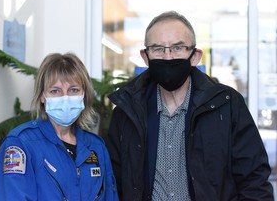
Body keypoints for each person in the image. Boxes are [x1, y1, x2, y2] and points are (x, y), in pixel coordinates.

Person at [105, 11, 274, 200]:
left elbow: (254, 181)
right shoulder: (127, 111)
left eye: (178, 48)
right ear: (145, 57)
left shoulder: (227, 105)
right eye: (158, 49)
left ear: (195, 56)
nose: (168, 57)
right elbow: (113, 182)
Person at [0, 52, 118, 200]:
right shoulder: (21, 144)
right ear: (42, 96)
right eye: (55, 91)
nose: (65, 98)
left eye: (73, 90)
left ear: (84, 94)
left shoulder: (96, 147)